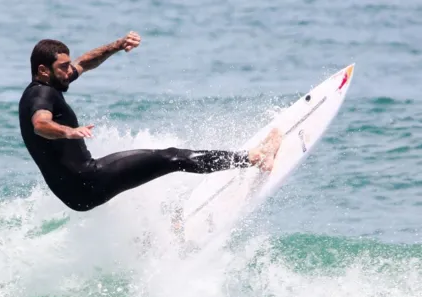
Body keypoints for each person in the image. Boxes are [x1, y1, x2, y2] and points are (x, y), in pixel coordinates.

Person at [18, 31, 282, 212]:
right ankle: (256, 158)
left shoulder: (46, 83)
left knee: (148, 168)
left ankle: (153, 234)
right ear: (43, 70)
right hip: (88, 182)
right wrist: (69, 131)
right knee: (172, 157)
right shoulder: (41, 94)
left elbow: (84, 63)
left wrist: (116, 45)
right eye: (63, 67)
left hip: (76, 191)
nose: (69, 71)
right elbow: (40, 124)